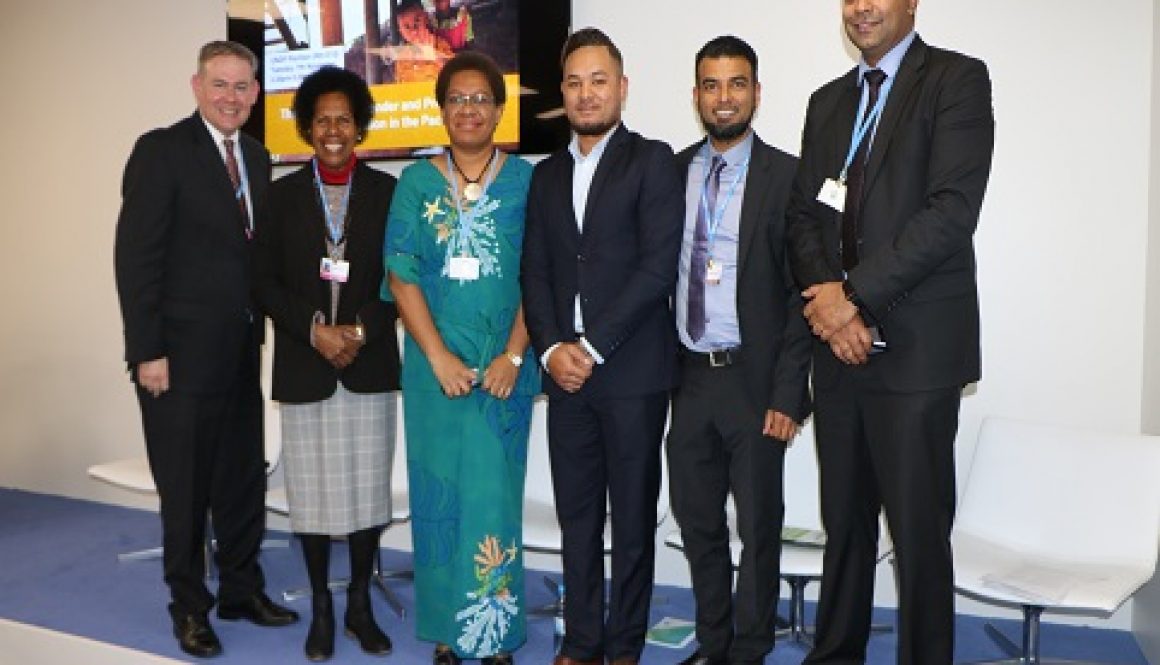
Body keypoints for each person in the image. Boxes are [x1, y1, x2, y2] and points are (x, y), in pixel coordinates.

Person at [785, 1, 995, 663]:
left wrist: (855, 298)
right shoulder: (826, 102)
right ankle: (835, 652)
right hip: (838, 350)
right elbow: (803, 217)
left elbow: (950, 213)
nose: (862, 7)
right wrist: (828, 302)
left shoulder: (956, 80)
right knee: (844, 526)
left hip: (918, 350)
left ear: (910, 3)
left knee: (917, 534)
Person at [113, 40, 299, 659]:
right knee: (186, 493)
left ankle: (242, 590)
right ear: (197, 87)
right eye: (221, 85)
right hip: (178, 360)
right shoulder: (161, 151)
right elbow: (136, 260)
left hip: (243, 351)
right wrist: (147, 351)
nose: (232, 97)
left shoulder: (256, 154)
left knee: (241, 481)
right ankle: (190, 608)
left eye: (244, 87)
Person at [520, 27, 685, 665]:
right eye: (574, 82)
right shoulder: (546, 176)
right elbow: (534, 272)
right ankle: (583, 641)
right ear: (561, 93)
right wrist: (551, 349)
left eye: (598, 80)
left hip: (631, 374)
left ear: (621, 87)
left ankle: (623, 648)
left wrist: (589, 345)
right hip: (564, 377)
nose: (586, 94)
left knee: (634, 525)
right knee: (579, 520)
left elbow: (657, 267)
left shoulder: (653, 160)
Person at [384, 51, 538, 665]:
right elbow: (401, 275)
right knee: (439, 504)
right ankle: (450, 633)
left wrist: (515, 355)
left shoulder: (528, 181)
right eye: (458, 99)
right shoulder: (417, 182)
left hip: (505, 374)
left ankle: (495, 635)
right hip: (434, 375)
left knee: (494, 499)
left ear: (500, 110)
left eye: (481, 99)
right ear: (441, 108)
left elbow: (542, 276)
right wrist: (439, 356)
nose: (469, 109)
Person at [667, 35, 812, 665]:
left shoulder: (789, 176)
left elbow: (806, 293)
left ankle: (749, 650)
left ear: (756, 92)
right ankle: (715, 640)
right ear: (696, 94)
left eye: (736, 84)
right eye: (711, 85)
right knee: (699, 527)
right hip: (689, 379)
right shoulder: (671, 173)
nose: (723, 99)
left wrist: (789, 394)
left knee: (757, 531)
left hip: (755, 383)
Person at [252, 65, 400, 662]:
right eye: (322, 119)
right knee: (311, 497)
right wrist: (315, 331)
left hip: (366, 364)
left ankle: (360, 606)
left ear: (359, 127)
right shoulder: (280, 194)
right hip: (306, 363)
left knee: (366, 494)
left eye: (344, 118)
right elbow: (260, 281)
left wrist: (359, 329)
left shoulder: (390, 193)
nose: (333, 129)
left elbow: (401, 277)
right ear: (307, 128)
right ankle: (322, 606)